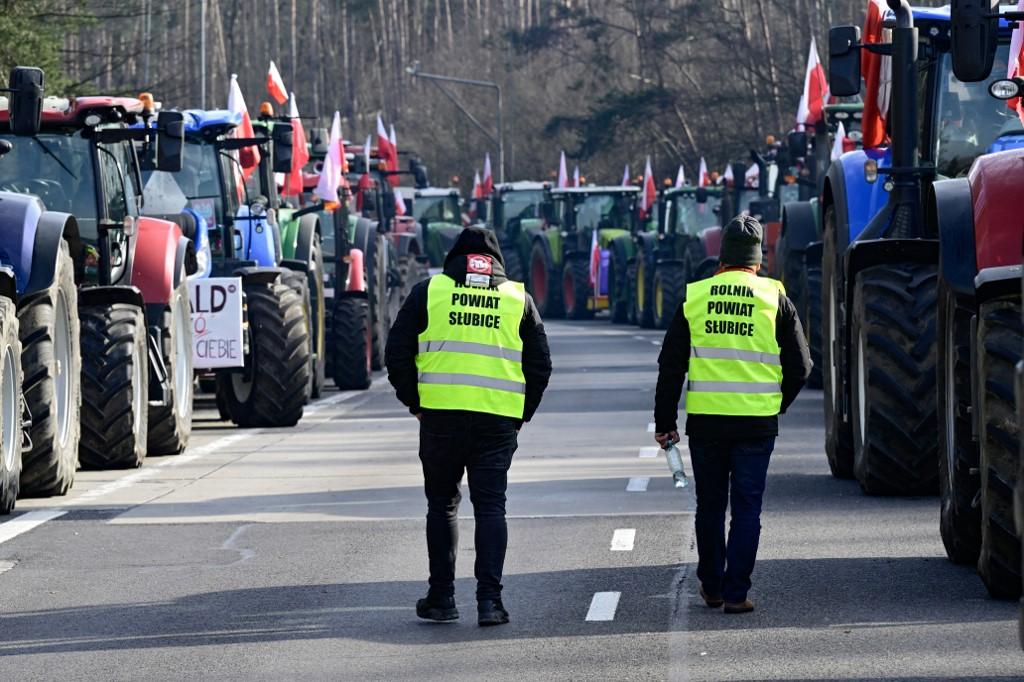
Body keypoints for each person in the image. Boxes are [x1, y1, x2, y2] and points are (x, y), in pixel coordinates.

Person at [385, 226, 552, 626]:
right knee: (491, 507)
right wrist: (519, 414)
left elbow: (396, 352)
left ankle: (442, 599)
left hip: (440, 417)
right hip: (497, 422)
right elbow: (541, 365)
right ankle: (490, 603)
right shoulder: (518, 299)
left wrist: (416, 403)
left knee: (442, 505)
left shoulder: (431, 292)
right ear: (496, 262)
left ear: (454, 257)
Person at [654, 215, 811, 614]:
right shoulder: (774, 298)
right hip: (757, 424)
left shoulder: (696, 297)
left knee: (709, 506)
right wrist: (776, 403)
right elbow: (802, 365)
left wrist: (664, 423)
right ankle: (737, 592)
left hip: (707, 425)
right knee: (747, 509)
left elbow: (671, 365)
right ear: (758, 260)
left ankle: (712, 586)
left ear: (721, 257)